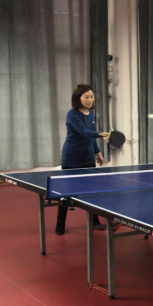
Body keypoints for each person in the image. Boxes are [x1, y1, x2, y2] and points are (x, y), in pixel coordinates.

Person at [56, 84, 105, 236]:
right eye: (86, 97)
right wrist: (101, 134)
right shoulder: (72, 114)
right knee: (66, 193)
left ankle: (94, 221)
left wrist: (97, 152)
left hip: (88, 157)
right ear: (78, 98)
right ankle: (60, 223)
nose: (90, 100)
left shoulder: (91, 113)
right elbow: (84, 132)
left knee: (92, 191)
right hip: (72, 157)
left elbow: (90, 136)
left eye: (92, 96)